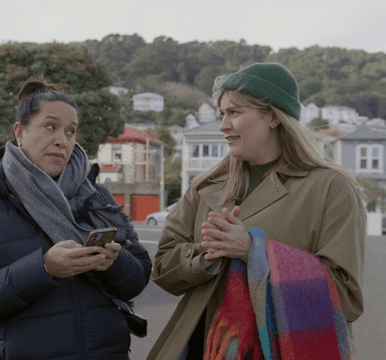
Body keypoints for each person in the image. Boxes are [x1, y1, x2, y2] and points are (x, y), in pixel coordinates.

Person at [147, 63, 365, 360]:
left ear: (273, 116)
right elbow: (163, 269)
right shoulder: (205, 187)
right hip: (202, 348)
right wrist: (208, 254)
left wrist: (254, 251)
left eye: (234, 113)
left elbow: (346, 297)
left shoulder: (332, 188)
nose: (223, 125)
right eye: (222, 113)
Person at [0, 76, 152, 360]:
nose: (61, 140)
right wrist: (44, 268)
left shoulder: (95, 196)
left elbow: (139, 276)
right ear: (20, 132)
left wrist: (115, 263)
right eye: (50, 127)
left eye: (70, 131)